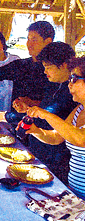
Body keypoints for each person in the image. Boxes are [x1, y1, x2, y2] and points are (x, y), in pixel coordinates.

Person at [0, 42, 77, 184]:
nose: (45, 72)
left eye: (48, 67)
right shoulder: (53, 84)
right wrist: (27, 109)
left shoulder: (72, 94)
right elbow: (45, 113)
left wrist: (3, 116)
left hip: (57, 163)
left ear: (63, 65)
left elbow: (47, 119)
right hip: (39, 154)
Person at [25, 56, 85, 199]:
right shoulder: (79, 110)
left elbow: (81, 139)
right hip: (75, 194)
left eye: (75, 79)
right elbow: (57, 137)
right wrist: (35, 131)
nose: (69, 84)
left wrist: (46, 114)